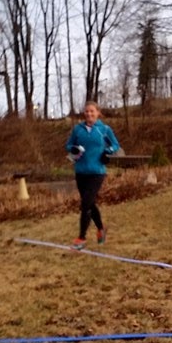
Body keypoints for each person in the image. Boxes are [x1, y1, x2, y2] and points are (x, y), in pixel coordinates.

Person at [66, 101, 120, 249]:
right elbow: (68, 145)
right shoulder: (78, 129)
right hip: (81, 171)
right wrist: (74, 149)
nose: (89, 114)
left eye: (92, 111)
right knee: (89, 203)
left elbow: (115, 145)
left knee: (85, 204)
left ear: (98, 113)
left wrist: (107, 152)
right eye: (86, 111)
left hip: (97, 172)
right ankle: (101, 229)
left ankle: (81, 238)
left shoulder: (104, 129)